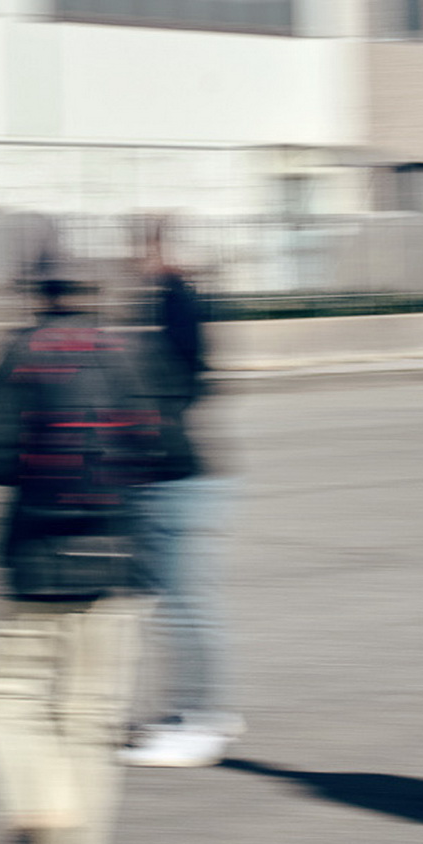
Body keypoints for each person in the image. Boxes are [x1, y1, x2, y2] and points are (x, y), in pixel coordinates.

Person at [0, 261, 159, 844]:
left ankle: (41, 821)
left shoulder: (22, 354)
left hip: (36, 560)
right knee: (90, 714)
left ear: (38, 297)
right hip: (118, 558)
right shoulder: (127, 353)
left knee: (2, 696)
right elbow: (164, 449)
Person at [122, 223, 244, 767]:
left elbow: (181, 378)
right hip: (176, 474)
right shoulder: (172, 303)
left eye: (143, 248)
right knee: (179, 603)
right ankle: (199, 711)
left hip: (176, 478)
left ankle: (200, 718)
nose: (134, 259)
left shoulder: (174, 303)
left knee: (182, 607)